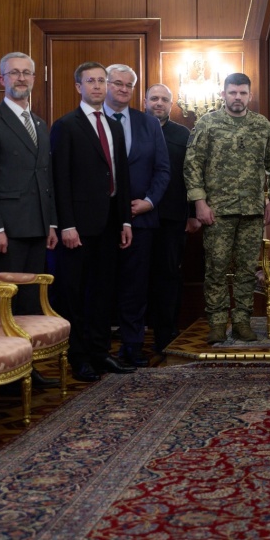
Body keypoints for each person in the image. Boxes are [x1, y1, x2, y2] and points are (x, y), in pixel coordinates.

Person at [0, 52, 60, 388]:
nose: (21, 78)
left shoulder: (39, 123)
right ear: (2, 79)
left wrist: (51, 223)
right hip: (6, 230)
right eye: (14, 73)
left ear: (34, 78)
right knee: (7, 302)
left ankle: (27, 369)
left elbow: (46, 179)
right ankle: (4, 375)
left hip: (37, 226)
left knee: (29, 301)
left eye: (27, 73)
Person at [50, 61, 133, 382]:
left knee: (103, 292)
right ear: (79, 87)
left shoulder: (113, 126)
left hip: (110, 223)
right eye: (91, 81)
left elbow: (121, 177)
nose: (98, 86)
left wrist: (125, 220)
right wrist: (66, 225)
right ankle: (79, 357)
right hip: (78, 227)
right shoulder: (66, 126)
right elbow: (60, 180)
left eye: (102, 81)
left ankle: (100, 352)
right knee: (75, 294)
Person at [184, 73, 270, 345]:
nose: (238, 97)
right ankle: (216, 323)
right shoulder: (207, 123)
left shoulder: (262, 125)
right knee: (216, 269)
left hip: (252, 211)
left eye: (243, 93)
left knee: (247, 270)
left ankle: (241, 322)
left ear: (250, 95)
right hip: (217, 211)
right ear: (223, 94)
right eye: (233, 92)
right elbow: (192, 164)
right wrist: (199, 202)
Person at [102, 64, 171, 367]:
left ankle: (132, 346)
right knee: (101, 285)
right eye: (117, 83)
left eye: (128, 85)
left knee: (135, 286)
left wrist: (149, 202)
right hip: (101, 221)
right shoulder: (91, 120)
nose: (122, 89)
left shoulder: (149, 124)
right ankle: (98, 349)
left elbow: (163, 169)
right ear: (105, 85)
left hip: (141, 219)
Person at [144, 84, 199, 356]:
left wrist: (192, 214)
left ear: (171, 104)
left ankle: (166, 332)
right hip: (139, 216)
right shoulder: (133, 128)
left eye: (164, 99)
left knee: (169, 274)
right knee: (139, 275)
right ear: (145, 101)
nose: (159, 103)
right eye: (154, 98)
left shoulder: (183, 134)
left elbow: (192, 175)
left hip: (173, 216)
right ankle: (139, 330)